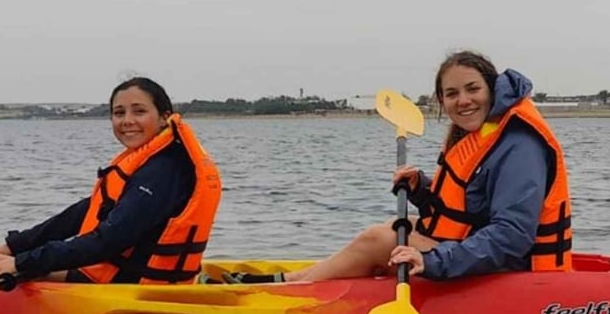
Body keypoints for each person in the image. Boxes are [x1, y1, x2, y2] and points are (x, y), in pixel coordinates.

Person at [232, 50, 572, 284]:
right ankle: (293, 279)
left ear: (492, 89)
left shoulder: (519, 145)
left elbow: (511, 236)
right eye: (452, 93)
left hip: (513, 270)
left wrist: (431, 261)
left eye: (473, 89)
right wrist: (422, 190)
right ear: (442, 101)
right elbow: (470, 206)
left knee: (380, 239)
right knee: (397, 225)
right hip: (480, 254)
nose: (463, 100)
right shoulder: (486, 136)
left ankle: (289, 291)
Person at [0, 77, 222, 285]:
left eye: (139, 111)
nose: (127, 121)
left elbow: (107, 241)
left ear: (164, 118)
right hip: (122, 273)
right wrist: (12, 248)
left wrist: (20, 264)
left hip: (125, 284)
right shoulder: (152, 161)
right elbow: (80, 215)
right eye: (119, 113)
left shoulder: (160, 173)